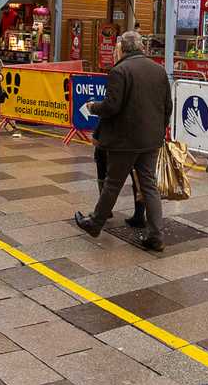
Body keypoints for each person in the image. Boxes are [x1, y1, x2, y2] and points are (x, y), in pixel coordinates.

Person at [73, 31, 172, 252]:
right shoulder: (159, 70)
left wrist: (92, 107)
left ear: (123, 48)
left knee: (113, 183)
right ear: (141, 47)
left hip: (125, 140)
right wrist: (158, 131)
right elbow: (168, 107)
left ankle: (95, 223)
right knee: (149, 186)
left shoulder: (120, 70)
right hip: (150, 140)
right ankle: (156, 235)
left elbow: (111, 107)